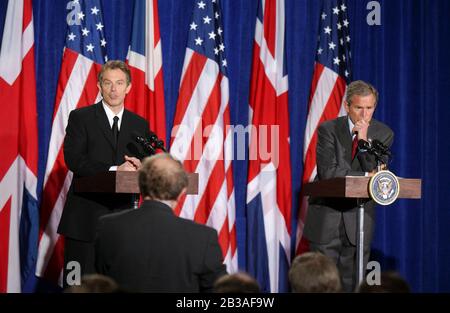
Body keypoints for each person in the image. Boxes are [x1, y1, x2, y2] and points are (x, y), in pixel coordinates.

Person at [58, 60, 153, 286]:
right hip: (84, 222)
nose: (114, 89)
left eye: (120, 83)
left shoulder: (139, 124)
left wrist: (142, 168)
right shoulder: (81, 117)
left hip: (123, 224)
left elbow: (146, 164)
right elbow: (74, 159)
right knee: (78, 287)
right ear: (99, 85)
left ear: (128, 87)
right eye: (108, 83)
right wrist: (114, 170)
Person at [303, 80, 394, 292]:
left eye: (369, 108)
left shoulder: (383, 133)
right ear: (347, 106)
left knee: (354, 285)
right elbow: (329, 173)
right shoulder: (329, 129)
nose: (364, 115)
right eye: (359, 108)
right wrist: (366, 174)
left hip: (359, 221)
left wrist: (363, 143)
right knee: (320, 285)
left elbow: (378, 175)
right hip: (327, 217)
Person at [94, 153, 227, 292]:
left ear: (141, 185)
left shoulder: (108, 227)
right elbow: (220, 290)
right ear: (182, 191)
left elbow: (102, 280)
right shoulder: (202, 237)